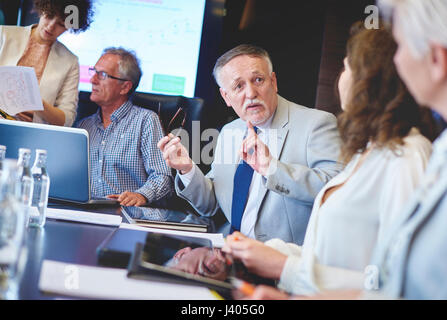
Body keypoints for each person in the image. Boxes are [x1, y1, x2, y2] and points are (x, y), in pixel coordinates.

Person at [223, 23, 436, 299]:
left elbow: (401, 284)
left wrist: (284, 266)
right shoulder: (370, 151)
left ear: (371, 79)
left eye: (346, 67)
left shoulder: (408, 156)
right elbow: (331, 254)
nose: (341, 77)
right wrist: (269, 251)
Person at [158, 44, 344, 245]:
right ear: (226, 97)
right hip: (229, 252)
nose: (251, 93)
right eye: (239, 86)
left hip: (282, 261)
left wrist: (272, 169)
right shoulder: (229, 132)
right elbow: (211, 204)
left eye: (258, 80)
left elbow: (337, 190)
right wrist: (187, 170)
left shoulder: (316, 123)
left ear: (273, 82)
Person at [76, 47, 173, 207]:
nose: (93, 80)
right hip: (85, 213)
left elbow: (163, 177)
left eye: (103, 75)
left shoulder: (146, 120)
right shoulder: (83, 126)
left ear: (125, 87)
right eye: (94, 72)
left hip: (127, 215)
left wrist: (141, 195)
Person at [0, 0, 94, 126]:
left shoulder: (70, 62)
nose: (51, 26)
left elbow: (67, 120)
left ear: (70, 27)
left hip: (30, 134)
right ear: (41, 9)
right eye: (49, 16)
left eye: (61, 24)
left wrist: (38, 103)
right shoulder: (3, 35)